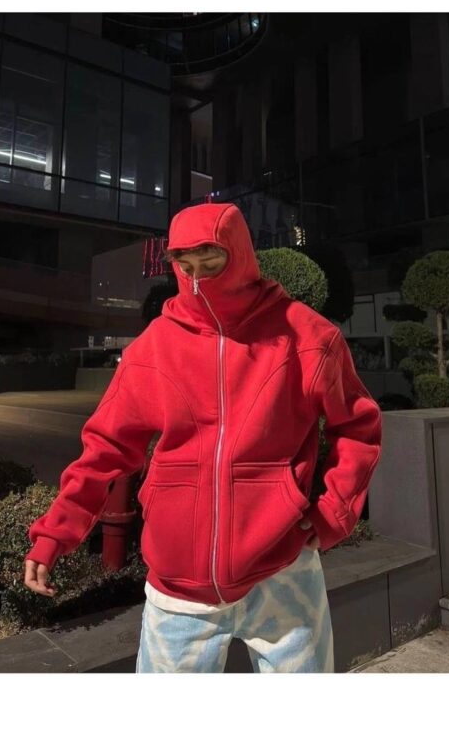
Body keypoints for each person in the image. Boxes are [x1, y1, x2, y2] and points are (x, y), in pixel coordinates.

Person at [23, 200, 382, 673]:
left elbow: (357, 425)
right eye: (185, 266)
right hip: (179, 581)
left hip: (282, 568)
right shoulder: (154, 347)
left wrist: (334, 511)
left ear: (241, 255)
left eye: (211, 263)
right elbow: (106, 448)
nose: (198, 280)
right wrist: (55, 533)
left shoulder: (305, 335)